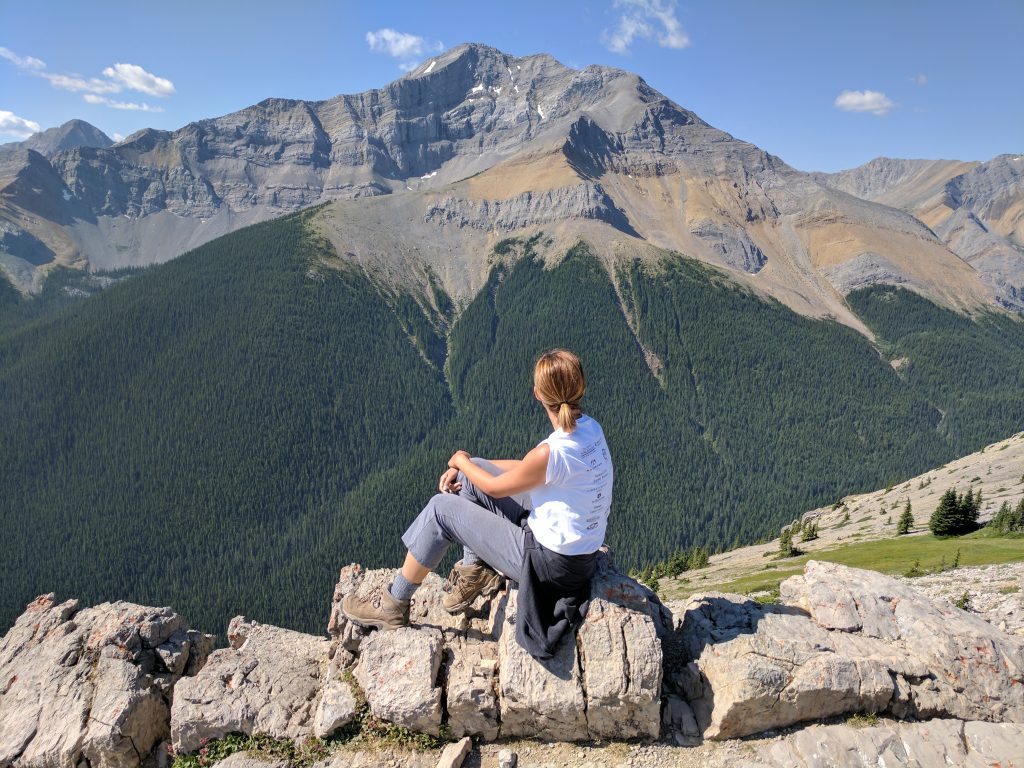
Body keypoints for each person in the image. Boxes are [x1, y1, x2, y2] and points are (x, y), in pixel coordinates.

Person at [341, 348, 614, 658]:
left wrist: (459, 458)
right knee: (475, 473)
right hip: (576, 558)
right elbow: (526, 469)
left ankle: (394, 603)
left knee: (441, 510)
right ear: (581, 388)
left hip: (548, 566)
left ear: (538, 394)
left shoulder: (552, 452)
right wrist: (472, 464)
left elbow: (498, 488)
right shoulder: (589, 429)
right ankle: (475, 571)